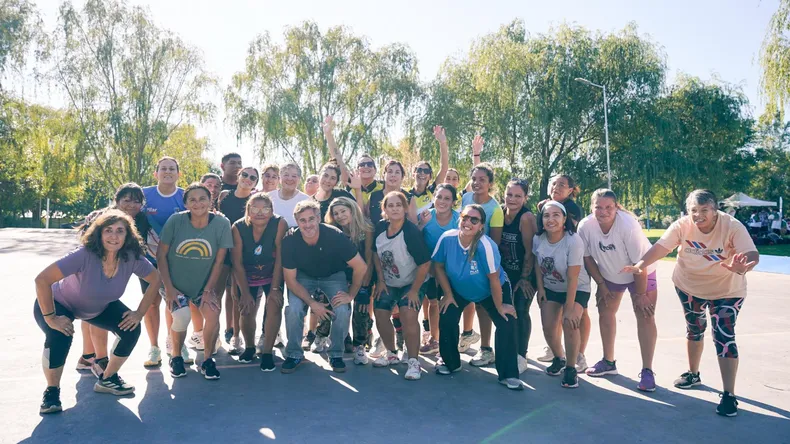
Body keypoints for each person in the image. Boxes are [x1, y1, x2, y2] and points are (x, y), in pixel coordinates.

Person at [622, 189, 759, 417]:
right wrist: (640, 264)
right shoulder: (682, 225)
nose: (698, 215)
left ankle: (729, 395)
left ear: (715, 210)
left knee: (724, 336)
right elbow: (661, 247)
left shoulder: (732, 226)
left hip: (726, 289)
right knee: (694, 329)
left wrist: (745, 266)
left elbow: (752, 254)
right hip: (689, 286)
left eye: (704, 210)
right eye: (694, 210)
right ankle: (693, 374)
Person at [35, 210, 161, 414]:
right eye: (108, 230)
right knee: (60, 335)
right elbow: (42, 280)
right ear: (99, 233)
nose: (114, 236)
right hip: (59, 303)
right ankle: (51, 392)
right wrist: (51, 318)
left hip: (98, 307)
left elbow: (156, 279)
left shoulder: (132, 258)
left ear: (128, 235)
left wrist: (139, 313)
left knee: (130, 328)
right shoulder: (84, 255)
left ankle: (108, 379)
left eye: (120, 231)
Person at [432, 204, 521, 390]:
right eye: (465, 217)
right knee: (447, 315)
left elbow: (494, 280)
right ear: (459, 219)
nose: (468, 222)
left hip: (491, 289)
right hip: (460, 288)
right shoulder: (447, 239)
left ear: (481, 226)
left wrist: (499, 307)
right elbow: (438, 266)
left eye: (474, 220)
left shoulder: (486, 245)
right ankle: (450, 363)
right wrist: (448, 294)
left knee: (506, 322)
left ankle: (508, 375)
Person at [578, 189, 658, 392]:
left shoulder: (627, 225)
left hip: (641, 270)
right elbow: (587, 257)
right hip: (611, 274)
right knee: (605, 313)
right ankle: (608, 362)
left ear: (616, 208)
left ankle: (647, 371)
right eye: (598, 207)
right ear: (592, 208)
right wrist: (602, 285)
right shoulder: (586, 226)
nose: (603, 212)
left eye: (608, 207)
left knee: (645, 315)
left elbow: (639, 264)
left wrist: (640, 295)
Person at [77, 183, 154, 379]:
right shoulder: (102, 218)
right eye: (126, 200)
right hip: (93, 271)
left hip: (116, 270)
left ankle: (87, 357)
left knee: (90, 316)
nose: (131, 205)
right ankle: (101, 360)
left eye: (137, 201)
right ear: (116, 200)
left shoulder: (141, 220)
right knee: (96, 313)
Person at [158, 183, 234, 380]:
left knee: (213, 313)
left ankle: (207, 360)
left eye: (202, 198)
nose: (197, 203)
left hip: (203, 285)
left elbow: (219, 260)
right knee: (182, 316)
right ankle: (176, 357)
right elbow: (161, 255)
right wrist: (169, 288)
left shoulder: (221, 223)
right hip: (175, 285)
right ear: (185, 203)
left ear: (210, 201)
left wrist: (209, 290)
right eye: (192, 199)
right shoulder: (176, 221)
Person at [281, 201, 367, 374]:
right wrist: (313, 303)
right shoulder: (290, 240)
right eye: (302, 220)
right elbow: (291, 280)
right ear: (296, 221)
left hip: (333, 276)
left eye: (311, 219)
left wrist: (351, 294)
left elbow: (361, 267)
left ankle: (336, 354)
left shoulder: (335, 236)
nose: (308, 224)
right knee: (293, 308)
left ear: (319, 218)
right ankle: (294, 353)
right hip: (303, 277)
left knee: (342, 310)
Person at [371, 191, 431, 380]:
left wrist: (414, 291)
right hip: (389, 281)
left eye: (399, 205)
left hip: (412, 281)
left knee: (408, 313)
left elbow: (425, 263)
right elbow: (374, 253)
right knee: (380, 311)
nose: (395, 208)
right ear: (385, 209)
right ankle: (391, 353)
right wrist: (380, 281)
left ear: (405, 209)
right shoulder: (380, 228)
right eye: (390, 205)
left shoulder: (410, 231)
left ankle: (413, 361)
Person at [533, 200, 592, 389]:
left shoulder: (573, 240)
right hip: (551, 287)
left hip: (576, 288)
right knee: (548, 328)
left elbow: (573, 277)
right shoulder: (538, 238)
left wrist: (569, 307)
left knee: (570, 322)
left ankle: (570, 368)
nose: (551, 219)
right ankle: (559, 358)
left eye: (556, 215)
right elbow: (537, 263)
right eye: (546, 215)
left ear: (565, 218)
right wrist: (541, 289)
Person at [230, 192, 288, 371]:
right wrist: (245, 293)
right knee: (246, 310)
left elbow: (280, 258)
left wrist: (276, 287)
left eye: (265, 208)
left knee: (273, 306)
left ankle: (268, 352)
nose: (260, 212)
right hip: (247, 273)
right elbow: (237, 262)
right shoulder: (238, 227)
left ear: (271, 211)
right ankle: (249, 347)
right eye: (255, 208)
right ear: (248, 211)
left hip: (272, 272)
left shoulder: (279, 223)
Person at [141, 156, 187, 368]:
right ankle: (154, 347)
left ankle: (175, 343)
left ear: (178, 174)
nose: (167, 172)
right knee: (151, 302)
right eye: (163, 169)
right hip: (147, 258)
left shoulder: (185, 196)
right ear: (155, 173)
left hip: (177, 260)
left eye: (172, 169)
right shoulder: (144, 195)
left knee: (174, 300)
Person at [460, 160, 504, 367]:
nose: (477, 183)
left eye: (482, 180)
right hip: (461, 258)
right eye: (474, 179)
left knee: (482, 306)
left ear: (490, 183)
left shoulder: (495, 209)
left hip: (482, 261)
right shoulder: (466, 198)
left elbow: (494, 242)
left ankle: (486, 349)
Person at [326, 197, 375, 365]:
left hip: (362, 273)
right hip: (341, 274)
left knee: (361, 308)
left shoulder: (365, 227)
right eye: (336, 213)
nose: (340, 216)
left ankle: (361, 344)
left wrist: (367, 275)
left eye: (343, 211)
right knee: (341, 306)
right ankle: (342, 339)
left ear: (352, 210)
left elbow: (368, 254)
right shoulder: (333, 230)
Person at [218, 167, 260, 354]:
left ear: (256, 183)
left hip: (243, 253)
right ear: (238, 176)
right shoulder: (224, 196)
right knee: (217, 293)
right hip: (222, 250)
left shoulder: (255, 202)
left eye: (253, 177)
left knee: (237, 295)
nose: (248, 179)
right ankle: (214, 334)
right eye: (245, 175)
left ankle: (236, 336)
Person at [498, 179, 537, 375]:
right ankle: (508, 351)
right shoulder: (499, 213)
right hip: (506, 274)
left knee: (521, 310)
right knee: (506, 311)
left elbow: (530, 252)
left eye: (518, 196)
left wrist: (524, 278)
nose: (512, 199)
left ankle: (521, 355)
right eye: (509, 194)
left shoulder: (526, 218)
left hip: (526, 273)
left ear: (525, 198)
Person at [416, 183, 460, 355]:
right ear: (434, 197)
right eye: (439, 197)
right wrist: (420, 224)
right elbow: (415, 239)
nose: (442, 201)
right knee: (433, 303)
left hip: (451, 270)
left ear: (453, 202)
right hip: (429, 269)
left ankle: (448, 345)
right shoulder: (426, 216)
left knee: (449, 307)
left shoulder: (459, 219)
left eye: (447, 198)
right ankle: (435, 340)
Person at [407, 125, 449, 217]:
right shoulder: (405, 194)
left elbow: (444, 168)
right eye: (419, 170)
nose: (422, 173)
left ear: (430, 176)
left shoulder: (432, 191)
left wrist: (442, 142)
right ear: (413, 174)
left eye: (426, 171)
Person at [270, 162, 310, 228]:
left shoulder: (306, 200)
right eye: (286, 175)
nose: (290, 179)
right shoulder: (269, 197)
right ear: (279, 178)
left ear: (299, 179)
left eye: (294, 176)